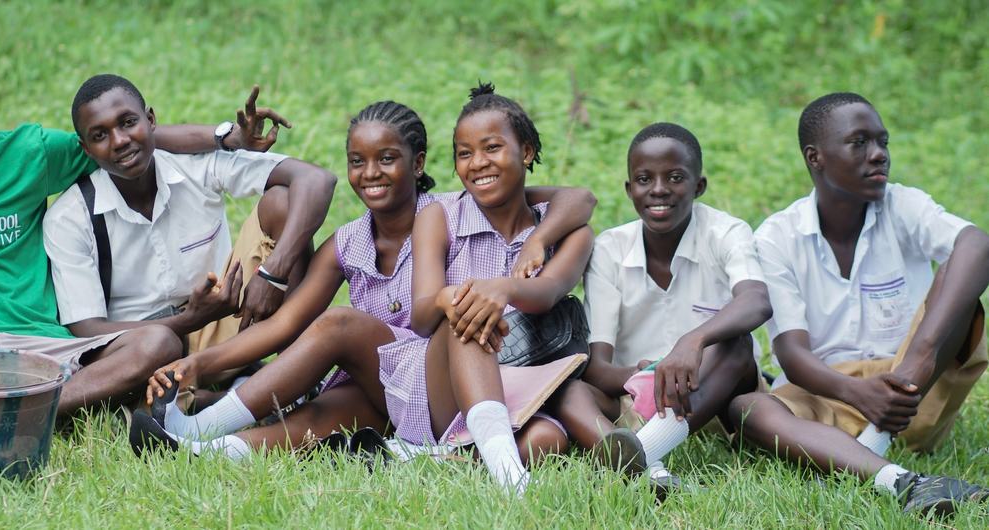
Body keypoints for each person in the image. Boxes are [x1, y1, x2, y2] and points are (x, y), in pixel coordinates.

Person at [0, 41, 281, 444]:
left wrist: (225, 138)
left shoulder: (29, 153)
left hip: (48, 347)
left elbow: (124, 139)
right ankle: (37, 417)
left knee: (157, 344)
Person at [129, 100, 596, 462]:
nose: (370, 174)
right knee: (319, 417)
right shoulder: (349, 243)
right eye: (357, 161)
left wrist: (541, 239)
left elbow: (574, 199)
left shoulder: (455, 210)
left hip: (448, 377)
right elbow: (287, 324)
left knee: (342, 327)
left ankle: (202, 425)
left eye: (387, 159)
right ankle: (201, 447)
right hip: (382, 386)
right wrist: (202, 363)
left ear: (417, 164)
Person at [729, 92, 989, 516]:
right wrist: (857, 392)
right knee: (746, 409)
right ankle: (901, 481)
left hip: (913, 393)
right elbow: (792, 354)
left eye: (883, 142)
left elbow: (977, 243)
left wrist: (905, 380)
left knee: (959, 278)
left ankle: (875, 437)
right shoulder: (777, 237)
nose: (879, 155)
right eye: (860, 143)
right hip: (828, 395)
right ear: (816, 157)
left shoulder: (904, 206)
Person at [45, 74, 334, 392]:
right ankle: (218, 397)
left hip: (225, 319)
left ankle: (296, 379)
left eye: (128, 122)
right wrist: (189, 319)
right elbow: (88, 329)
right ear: (86, 149)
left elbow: (316, 181)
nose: (119, 141)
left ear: (151, 119)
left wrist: (273, 273)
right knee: (158, 344)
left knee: (282, 203)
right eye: (100, 135)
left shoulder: (194, 166)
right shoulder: (70, 217)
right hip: (141, 351)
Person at [551, 122, 771, 496]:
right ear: (629, 189)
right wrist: (639, 374)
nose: (658, 189)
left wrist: (694, 341)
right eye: (643, 179)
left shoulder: (726, 232)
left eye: (675, 177)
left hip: (714, 395)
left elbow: (756, 300)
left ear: (698, 186)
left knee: (735, 342)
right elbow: (597, 366)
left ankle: (643, 453)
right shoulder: (610, 250)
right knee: (568, 390)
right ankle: (636, 461)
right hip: (635, 399)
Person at [400, 83, 592, 494]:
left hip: (526, 387)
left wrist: (508, 281)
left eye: (492, 148)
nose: (477, 163)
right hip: (447, 388)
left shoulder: (567, 232)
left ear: (525, 151)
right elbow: (420, 316)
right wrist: (451, 297)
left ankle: (456, 460)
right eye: (464, 153)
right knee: (467, 312)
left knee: (549, 441)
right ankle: (509, 481)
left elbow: (549, 292)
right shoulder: (440, 215)